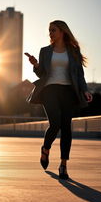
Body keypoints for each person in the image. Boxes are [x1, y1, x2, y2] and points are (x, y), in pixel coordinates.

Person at [26, 20, 92, 179]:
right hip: (49, 90)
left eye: (53, 30)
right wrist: (35, 64)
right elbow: (42, 74)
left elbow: (79, 75)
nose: (50, 33)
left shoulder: (74, 51)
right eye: (49, 30)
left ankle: (63, 165)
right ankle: (45, 149)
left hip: (68, 91)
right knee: (55, 124)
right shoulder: (45, 51)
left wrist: (85, 90)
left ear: (62, 31)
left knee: (66, 127)